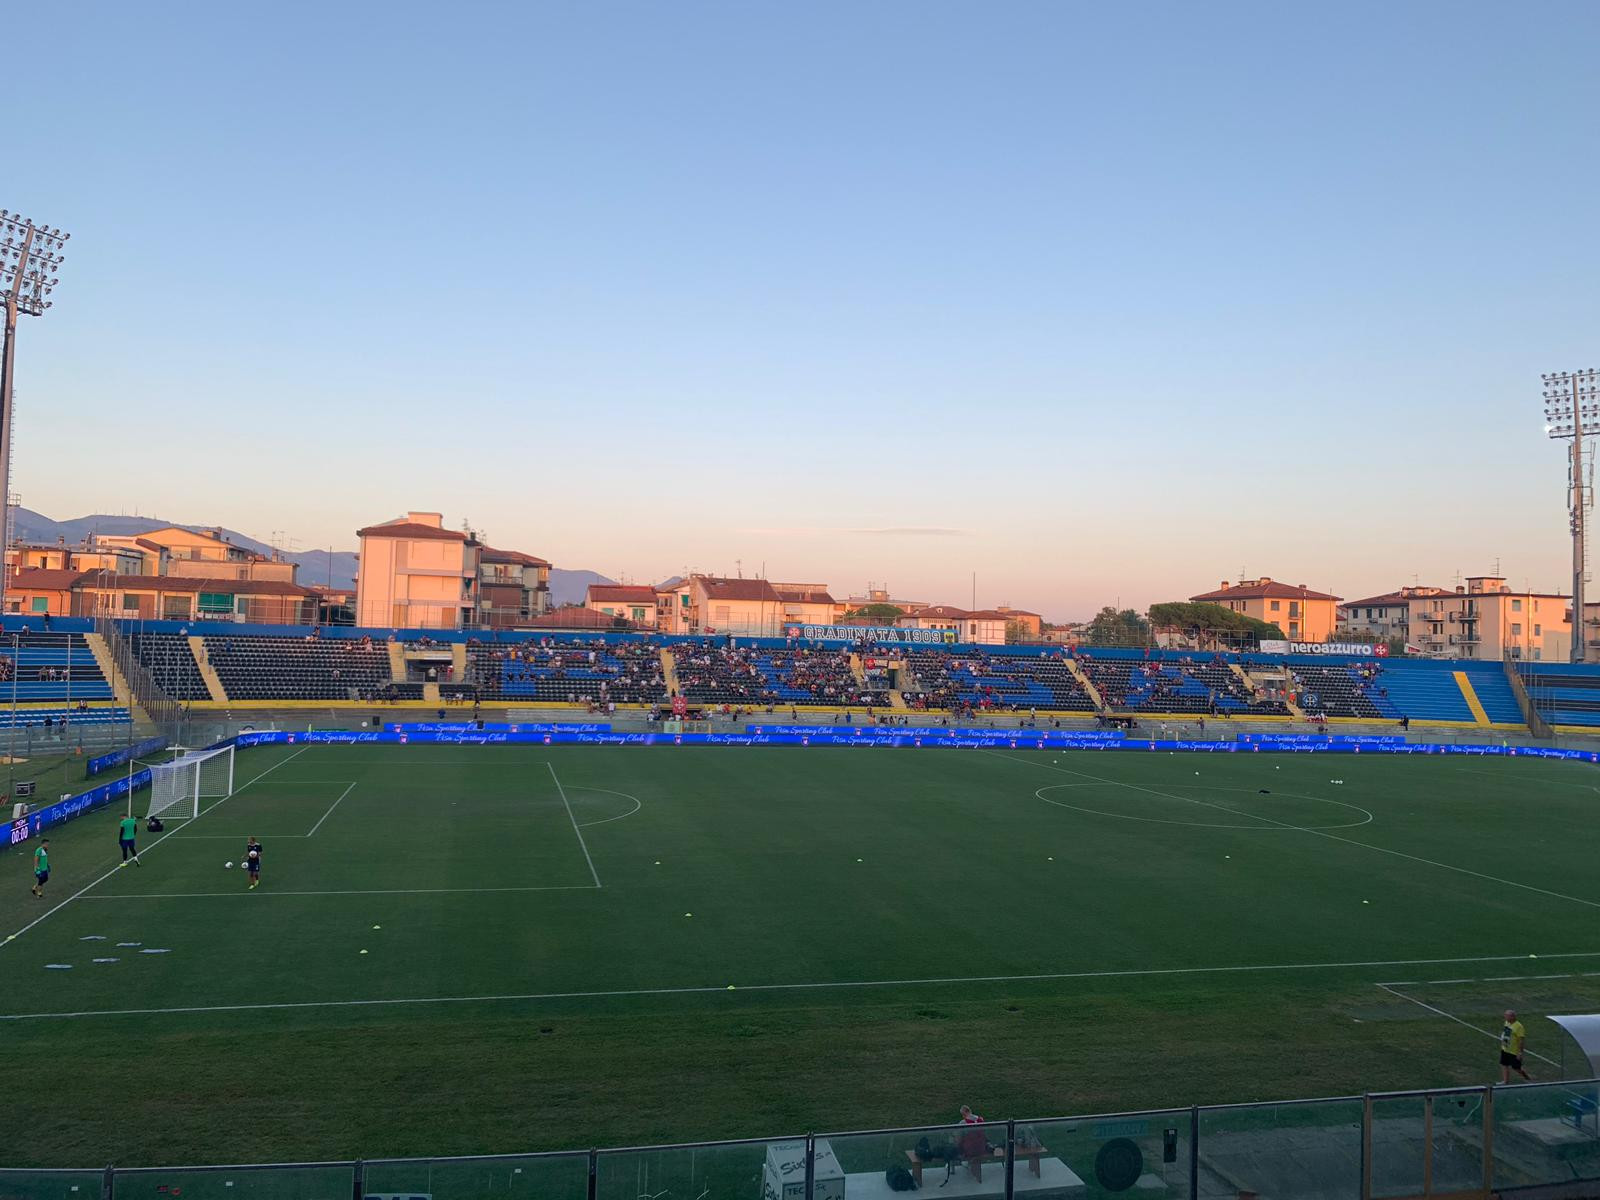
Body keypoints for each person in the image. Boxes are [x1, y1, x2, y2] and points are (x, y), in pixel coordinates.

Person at [1500, 1009, 1532, 1083]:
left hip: (1513, 1051)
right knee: (1504, 1064)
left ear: (1512, 1017)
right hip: (1505, 1049)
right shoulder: (1507, 1023)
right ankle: (1505, 1081)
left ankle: (1527, 1078)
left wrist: (1520, 1053)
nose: (1505, 1017)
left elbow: (1521, 1040)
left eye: (1506, 1016)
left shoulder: (1519, 1027)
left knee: (1517, 1068)